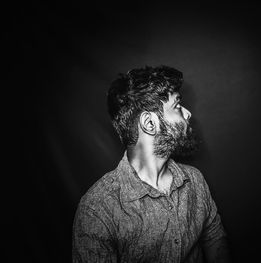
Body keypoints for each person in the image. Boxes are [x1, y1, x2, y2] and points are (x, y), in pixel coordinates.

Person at [72, 65, 232, 262]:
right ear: (149, 123)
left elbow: (215, 239)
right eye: (177, 106)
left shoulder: (195, 180)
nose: (188, 113)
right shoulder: (98, 210)